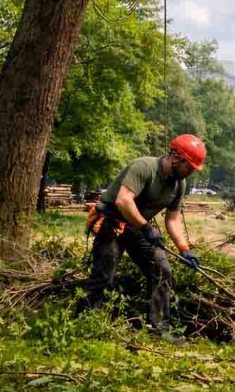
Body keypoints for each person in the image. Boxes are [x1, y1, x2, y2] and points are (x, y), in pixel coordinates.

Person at [81, 134, 206, 343]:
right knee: (105, 272)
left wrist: (184, 249)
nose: (191, 172)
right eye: (190, 166)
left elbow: (173, 220)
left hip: (138, 228)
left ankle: (159, 329)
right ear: (176, 158)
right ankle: (88, 324)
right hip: (112, 221)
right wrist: (147, 228)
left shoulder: (178, 184)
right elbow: (123, 201)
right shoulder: (144, 168)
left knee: (161, 269)